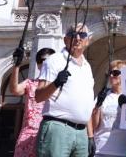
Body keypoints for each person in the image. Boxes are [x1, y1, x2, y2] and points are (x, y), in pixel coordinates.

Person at [35, 24, 96, 157]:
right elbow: (38, 96)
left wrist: (90, 136)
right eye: (73, 35)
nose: (78, 38)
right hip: (58, 128)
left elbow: (87, 104)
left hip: (81, 132)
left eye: (83, 35)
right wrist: (56, 83)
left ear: (88, 40)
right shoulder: (53, 60)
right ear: (65, 39)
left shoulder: (87, 67)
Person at [8, 46, 56, 157]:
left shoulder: (60, 85)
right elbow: (14, 90)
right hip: (28, 136)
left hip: (50, 135)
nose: (44, 63)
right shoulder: (30, 83)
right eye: (41, 61)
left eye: (48, 60)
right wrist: (16, 65)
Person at [91, 59, 126, 157]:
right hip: (101, 151)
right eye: (110, 73)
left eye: (115, 73)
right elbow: (94, 125)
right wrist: (98, 106)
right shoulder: (103, 95)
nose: (111, 76)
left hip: (123, 151)